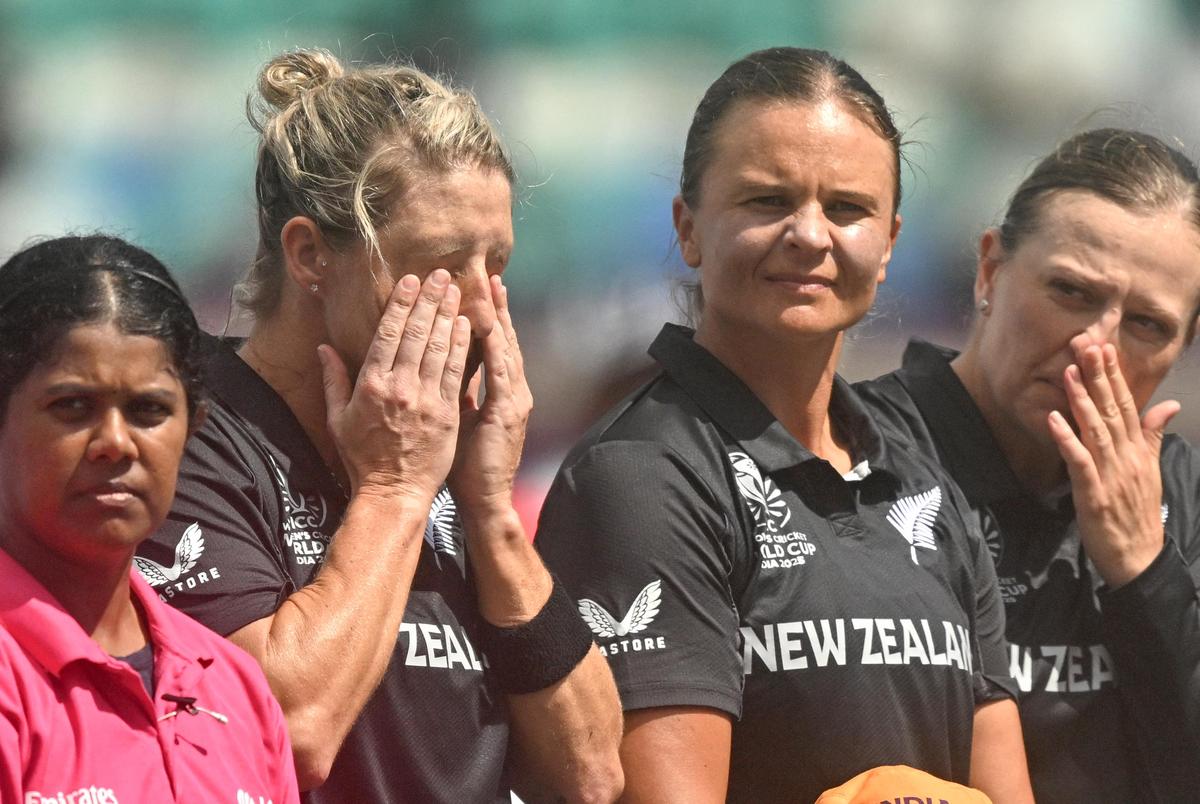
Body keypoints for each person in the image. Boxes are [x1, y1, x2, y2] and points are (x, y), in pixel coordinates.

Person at [535, 47, 1033, 804]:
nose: (809, 233)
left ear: (891, 242)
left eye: (847, 208)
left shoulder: (926, 477)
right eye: (767, 201)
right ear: (689, 227)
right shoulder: (640, 476)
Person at [136, 48, 623, 803]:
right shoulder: (187, 433)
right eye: (441, 262)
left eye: (496, 263)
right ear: (308, 255)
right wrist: (396, 489)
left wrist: (490, 514)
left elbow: (593, 775)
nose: (481, 305)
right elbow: (284, 731)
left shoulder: (450, 453)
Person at [855, 127, 1200, 803]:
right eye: (1070, 292)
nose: (1095, 346)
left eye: (1147, 325)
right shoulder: (853, 456)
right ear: (989, 270)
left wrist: (1143, 572)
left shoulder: (1181, 495)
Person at [0, 235, 299, 803]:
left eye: (149, 411)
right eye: (72, 406)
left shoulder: (236, 688)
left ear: (194, 427)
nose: (115, 443)